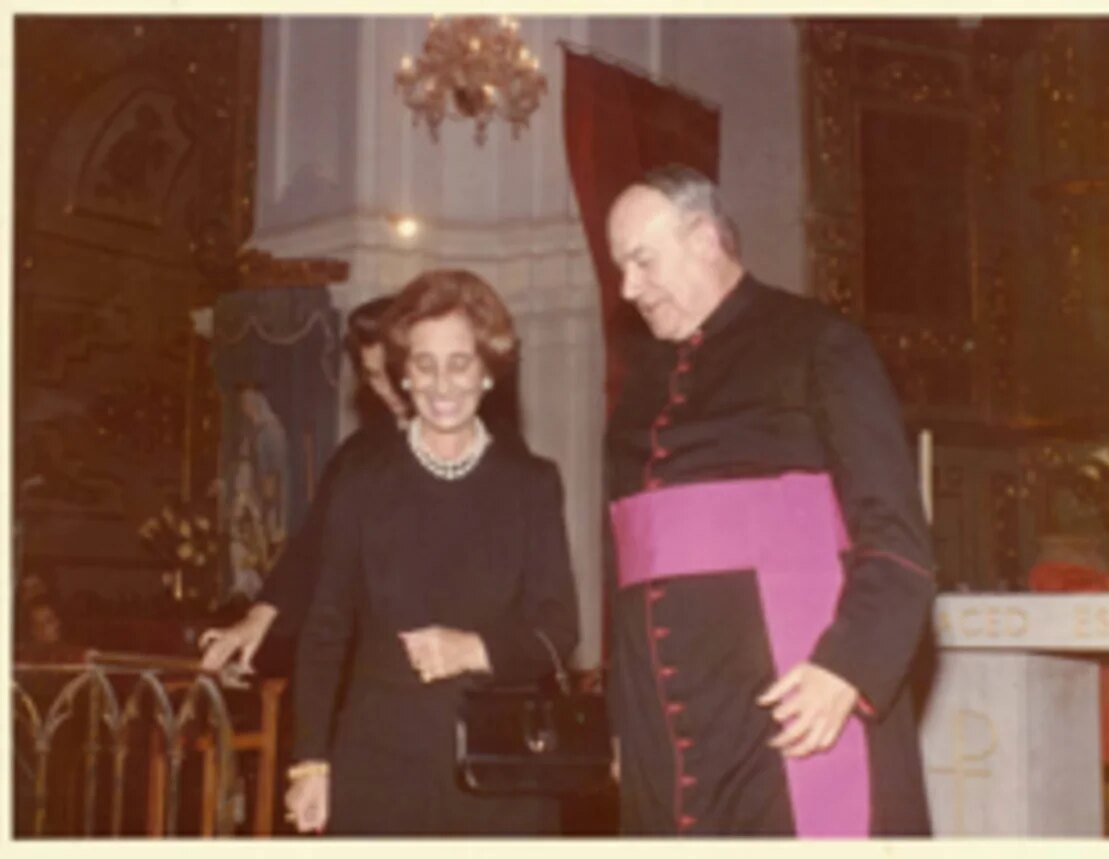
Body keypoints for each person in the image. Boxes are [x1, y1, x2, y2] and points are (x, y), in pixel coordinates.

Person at [603, 165, 936, 836]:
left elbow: (896, 535)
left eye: (642, 261)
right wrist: (623, 719)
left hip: (789, 704)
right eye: (621, 268)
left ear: (704, 239)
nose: (628, 288)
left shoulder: (819, 343)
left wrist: (849, 666)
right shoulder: (638, 387)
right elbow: (627, 567)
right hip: (665, 729)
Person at [284, 269, 579, 835]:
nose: (442, 384)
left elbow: (559, 630)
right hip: (379, 764)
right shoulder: (361, 481)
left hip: (502, 772)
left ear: (488, 372)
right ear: (405, 374)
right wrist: (310, 761)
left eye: (460, 363)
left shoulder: (531, 484)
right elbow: (325, 628)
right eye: (424, 364)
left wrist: (474, 649)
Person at [199, 296, 409, 677]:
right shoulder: (360, 453)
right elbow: (312, 545)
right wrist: (257, 618)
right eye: (373, 376)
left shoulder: (481, 454)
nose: (387, 390)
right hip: (365, 661)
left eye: (393, 373)